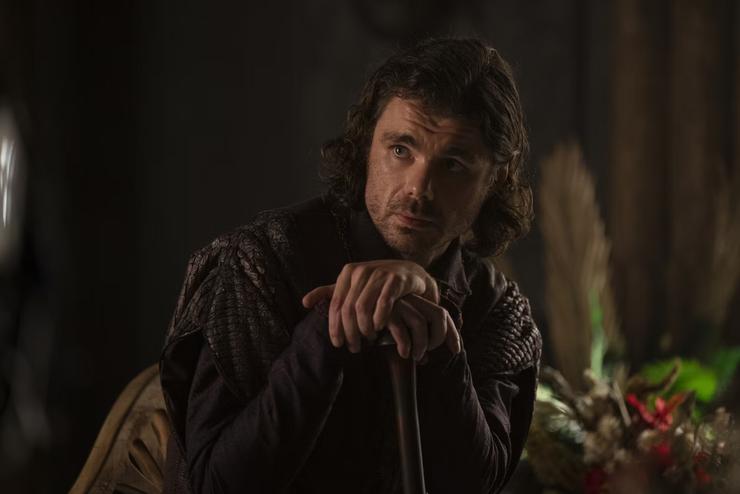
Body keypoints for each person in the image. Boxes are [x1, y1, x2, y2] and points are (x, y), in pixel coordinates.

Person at [160, 37, 542, 494]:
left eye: (454, 165)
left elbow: (475, 486)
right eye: (400, 150)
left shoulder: (496, 308)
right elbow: (213, 486)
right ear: (367, 144)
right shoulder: (261, 264)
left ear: (496, 176)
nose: (419, 188)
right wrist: (331, 330)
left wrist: (440, 346)